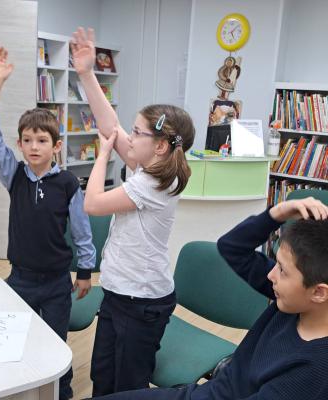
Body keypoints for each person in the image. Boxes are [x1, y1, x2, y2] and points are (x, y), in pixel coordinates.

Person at [83, 196, 328, 400]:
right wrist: (277, 214)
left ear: (319, 292)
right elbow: (232, 247)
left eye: (282, 270)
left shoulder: (312, 368)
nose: (271, 274)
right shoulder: (295, 300)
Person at [70, 27, 196, 396]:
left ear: (160, 146)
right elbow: (110, 125)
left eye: (137, 132)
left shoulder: (154, 183)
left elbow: (92, 203)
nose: (130, 135)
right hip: (120, 291)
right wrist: (86, 74)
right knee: (103, 375)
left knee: (127, 386)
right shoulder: (151, 165)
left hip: (140, 302)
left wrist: (103, 156)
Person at [0, 47, 96, 400]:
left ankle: (61, 390)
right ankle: (22, 386)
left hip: (57, 282)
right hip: (20, 279)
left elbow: (82, 231)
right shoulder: (13, 174)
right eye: (27, 140)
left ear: (56, 146)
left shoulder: (68, 184)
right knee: (18, 338)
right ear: (19, 144)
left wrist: (85, 271)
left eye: (42, 140)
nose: (33, 146)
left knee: (55, 343)